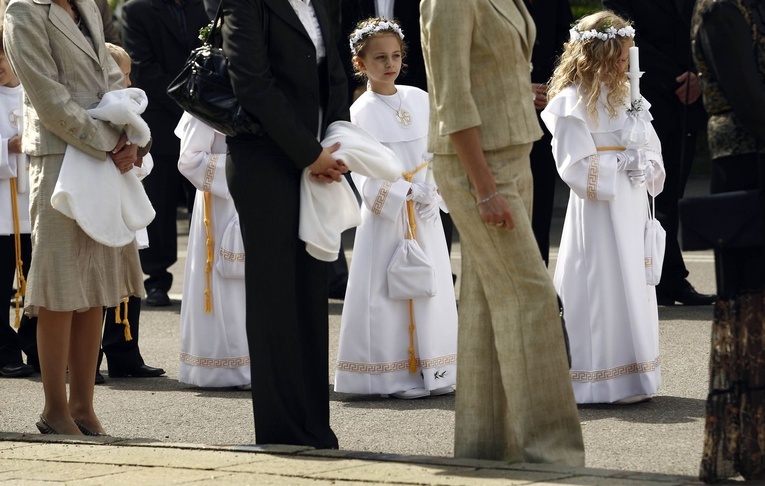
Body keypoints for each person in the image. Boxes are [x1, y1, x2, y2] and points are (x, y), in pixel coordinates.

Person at [420, 0, 584, 465]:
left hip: (514, 152)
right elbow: (451, 97)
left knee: (488, 301)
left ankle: (485, 447)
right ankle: (552, 454)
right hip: (480, 165)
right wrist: (484, 186)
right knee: (530, 298)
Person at [4, 0, 145, 435]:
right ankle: (55, 410)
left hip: (104, 155)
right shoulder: (22, 10)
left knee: (96, 286)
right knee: (61, 286)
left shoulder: (86, 5)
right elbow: (48, 97)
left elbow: (108, 77)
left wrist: (129, 135)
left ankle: (83, 407)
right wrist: (107, 139)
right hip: (60, 155)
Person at [221, 0, 349, 448]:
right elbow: (252, 83)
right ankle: (281, 430)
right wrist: (308, 153)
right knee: (275, 296)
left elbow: (334, 74)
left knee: (311, 290)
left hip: (315, 158)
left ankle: (315, 426)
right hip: (264, 159)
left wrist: (337, 140)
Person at [541, 11, 667, 405]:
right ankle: (596, 379)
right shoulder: (570, 103)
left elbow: (650, 145)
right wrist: (620, 164)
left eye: (627, 57)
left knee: (633, 283)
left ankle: (634, 374)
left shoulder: (630, 98)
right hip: (596, 213)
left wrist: (647, 162)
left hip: (630, 203)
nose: (624, 66)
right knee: (602, 284)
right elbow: (573, 166)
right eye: (618, 57)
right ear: (597, 54)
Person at [333, 18, 457, 399]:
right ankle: (392, 374)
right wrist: (404, 192)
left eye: (396, 56)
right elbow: (362, 169)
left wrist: (433, 190)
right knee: (388, 291)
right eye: (380, 57)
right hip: (390, 213)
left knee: (430, 283)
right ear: (361, 63)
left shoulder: (419, 97)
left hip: (425, 206)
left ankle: (435, 368)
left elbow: (437, 149)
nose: (390, 64)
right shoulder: (361, 110)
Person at [691, 0, 765, 482]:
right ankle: (750, 448)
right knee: (752, 312)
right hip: (745, 169)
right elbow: (749, 98)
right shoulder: (720, 9)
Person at [602, 0, 715, 307]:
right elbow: (625, 40)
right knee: (646, 195)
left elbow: (705, 30)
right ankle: (647, 278)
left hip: (688, 102)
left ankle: (669, 278)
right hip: (644, 101)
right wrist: (675, 79)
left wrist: (699, 77)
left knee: (672, 193)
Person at [121, 0, 210, 307]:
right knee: (160, 201)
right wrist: (189, 101)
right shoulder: (137, 11)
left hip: (207, 119)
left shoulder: (207, 6)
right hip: (162, 118)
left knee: (206, 197)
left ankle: (212, 272)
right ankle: (157, 279)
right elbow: (144, 67)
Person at [99, 42, 165, 381]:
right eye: (120, 76)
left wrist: (136, 156)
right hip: (102, 205)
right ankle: (89, 357)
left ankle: (126, 353)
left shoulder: (131, 109)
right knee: (98, 286)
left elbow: (145, 160)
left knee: (129, 284)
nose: (127, 83)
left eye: (129, 75)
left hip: (128, 204)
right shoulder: (98, 110)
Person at [175, 112, 250, 390]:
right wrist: (244, 169)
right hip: (220, 203)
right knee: (225, 287)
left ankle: (259, 363)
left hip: (261, 198)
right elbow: (190, 160)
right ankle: (225, 367)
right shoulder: (207, 95)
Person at [525, 0, 573, 265]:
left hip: (546, 107)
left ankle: (540, 279)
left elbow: (564, 43)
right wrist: (521, 88)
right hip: (504, 113)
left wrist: (554, 88)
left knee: (542, 200)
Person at [0, 24, 33, 379]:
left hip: (33, 207)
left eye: (2, 54)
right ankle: (5, 351)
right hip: (0, 211)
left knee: (38, 285)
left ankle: (34, 346)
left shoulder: (33, 95)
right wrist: (7, 147)